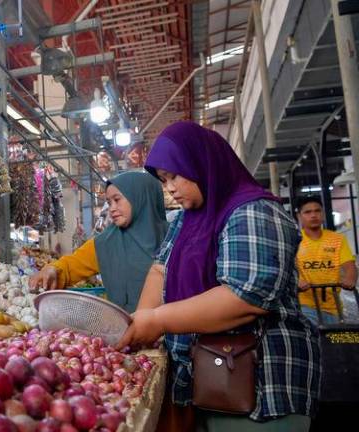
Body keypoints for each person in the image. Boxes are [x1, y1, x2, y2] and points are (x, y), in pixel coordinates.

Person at [117, 122, 319, 431]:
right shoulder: (187, 219)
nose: (169, 188)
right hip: (210, 380)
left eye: (174, 175)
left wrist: (157, 321)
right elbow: (161, 270)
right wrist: (142, 321)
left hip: (259, 388)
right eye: (163, 180)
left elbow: (245, 298)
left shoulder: (253, 212)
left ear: (200, 162)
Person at [29, 171, 168, 312]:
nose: (112, 208)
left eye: (117, 200)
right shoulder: (105, 243)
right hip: (122, 328)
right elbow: (71, 266)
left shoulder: (173, 240)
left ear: (140, 198)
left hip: (171, 330)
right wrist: (52, 269)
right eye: (109, 202)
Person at [295, 196, 357, 324]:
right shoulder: (295, 240)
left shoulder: (337, 239)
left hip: (334, 306)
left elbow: (350, 266)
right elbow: (286, 268)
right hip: (304, 305)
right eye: (307, 212)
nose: (313, 215)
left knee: (335, 340)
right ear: (299, 216)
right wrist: (296, 280)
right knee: (315, 339)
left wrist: (350, 278)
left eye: (317, 211)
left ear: (323, 213)